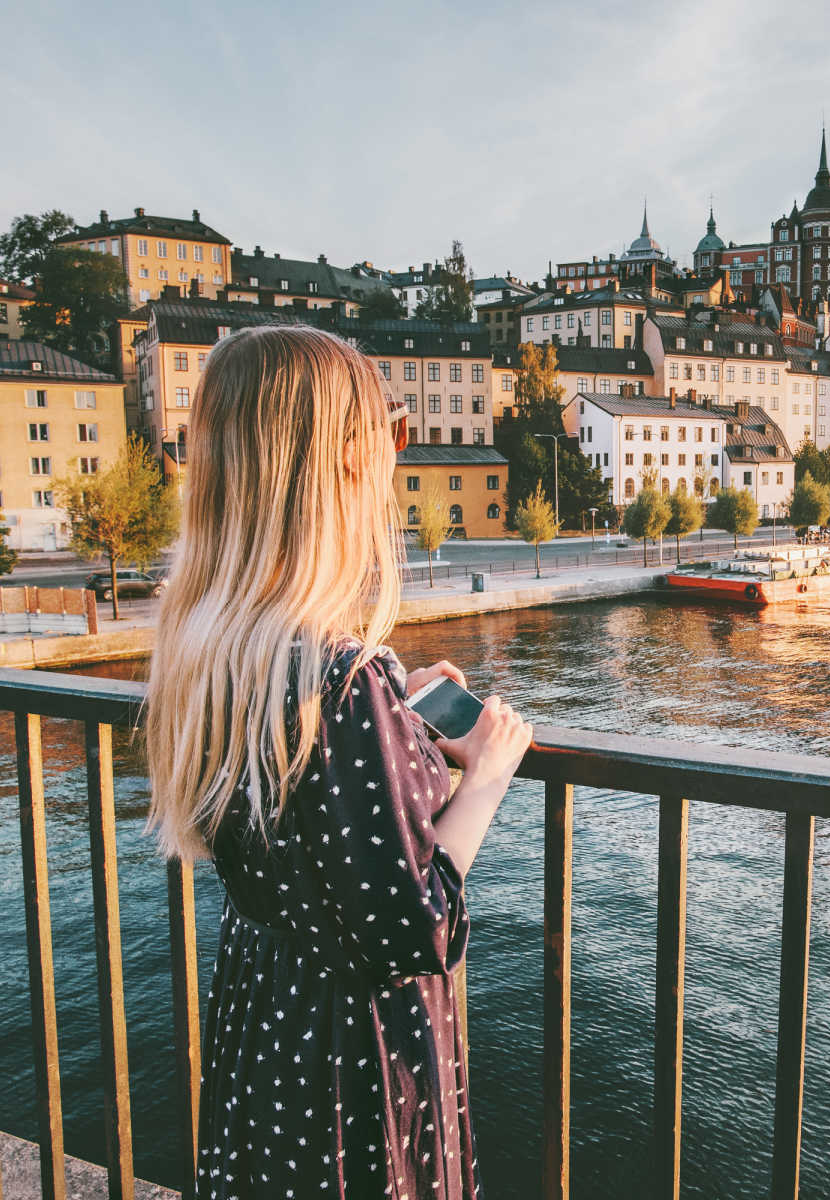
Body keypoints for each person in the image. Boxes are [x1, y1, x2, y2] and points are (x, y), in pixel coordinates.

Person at [144, 325, 531, 1199]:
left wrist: (396, 713)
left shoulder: (213, 647)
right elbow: (420, 926)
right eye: (389, 437)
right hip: (351, 1060)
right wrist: (489, 772)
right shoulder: (344, 681)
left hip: (266, 1031)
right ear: (343, 465)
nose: (397, 461)